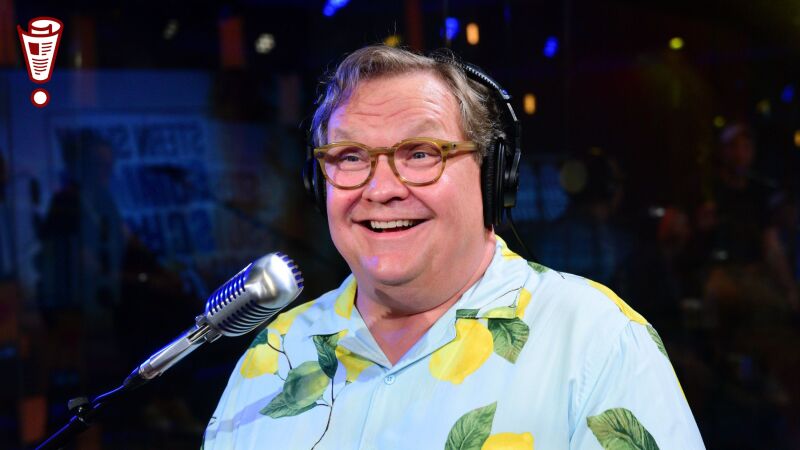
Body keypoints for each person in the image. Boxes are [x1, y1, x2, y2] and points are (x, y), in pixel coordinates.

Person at [202, 45, 704, 449]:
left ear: (492, 177)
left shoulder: (596, 342)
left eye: (420, 153)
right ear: (320, 183)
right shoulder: (273, 352)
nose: (381, 189)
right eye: (351, 156)